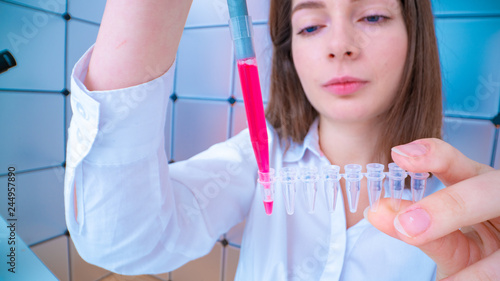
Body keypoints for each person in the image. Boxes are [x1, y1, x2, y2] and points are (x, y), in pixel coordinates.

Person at [65, 0, 500, 280]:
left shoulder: (472, 209)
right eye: (311, 26)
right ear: (288, 50)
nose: (340, 45)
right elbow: (122, 239)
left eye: (372, 16)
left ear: (415, 39)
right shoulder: (254, 161)